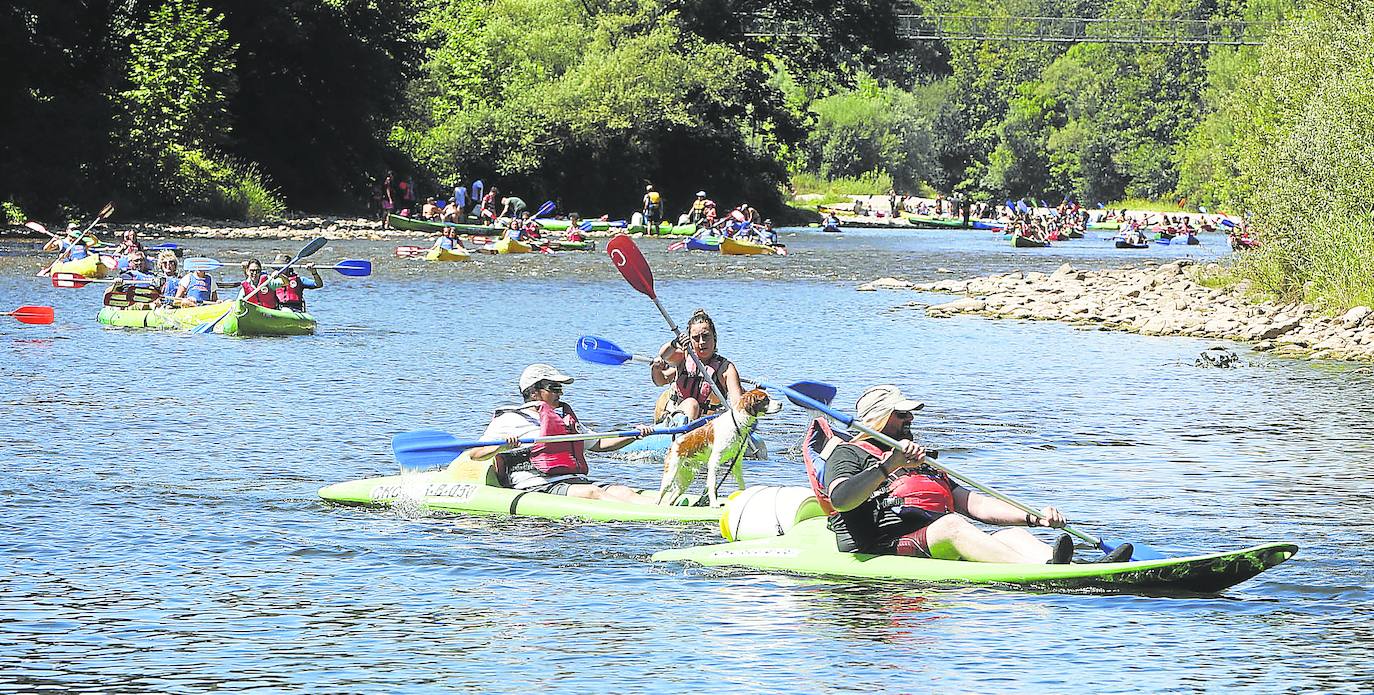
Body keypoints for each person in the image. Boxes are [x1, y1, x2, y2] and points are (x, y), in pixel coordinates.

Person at [816, 385, 1132, 564]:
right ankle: (1045, 573)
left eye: (910, 412)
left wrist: (1035, 518)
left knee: (1014, 535)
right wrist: (888, 465)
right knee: (952, 525)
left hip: (925, 534)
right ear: (878, 419)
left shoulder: (918, 458)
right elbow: (841, 499)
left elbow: (975, 505)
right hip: (879, 544)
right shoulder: (848, 454)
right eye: (902, 414)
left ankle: (1078, 568)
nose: (911, 418)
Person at [467, 364, 656, 503]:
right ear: (533, 392)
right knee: (593, 494)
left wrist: (635, 434)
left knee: (623, 491)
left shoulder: (562, 419)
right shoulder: (510, 420)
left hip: (571, 481)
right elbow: (474, 454)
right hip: (538, 485)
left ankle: (666, 509)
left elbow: (598, 444)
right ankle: (652, 517)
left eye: (561, 388)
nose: (560, 393)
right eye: (554, 388)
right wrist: (502, 445)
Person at [649, 309, 744, 423]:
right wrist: (675, 344)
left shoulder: (726, 369)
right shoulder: (682, 357)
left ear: (714, 337)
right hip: (674, 420)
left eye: (705, 336)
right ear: (689, 340)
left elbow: (737, 404)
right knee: (691, 404)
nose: (702, 342)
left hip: (707, 426)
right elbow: (663, 357)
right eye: (696, 338)